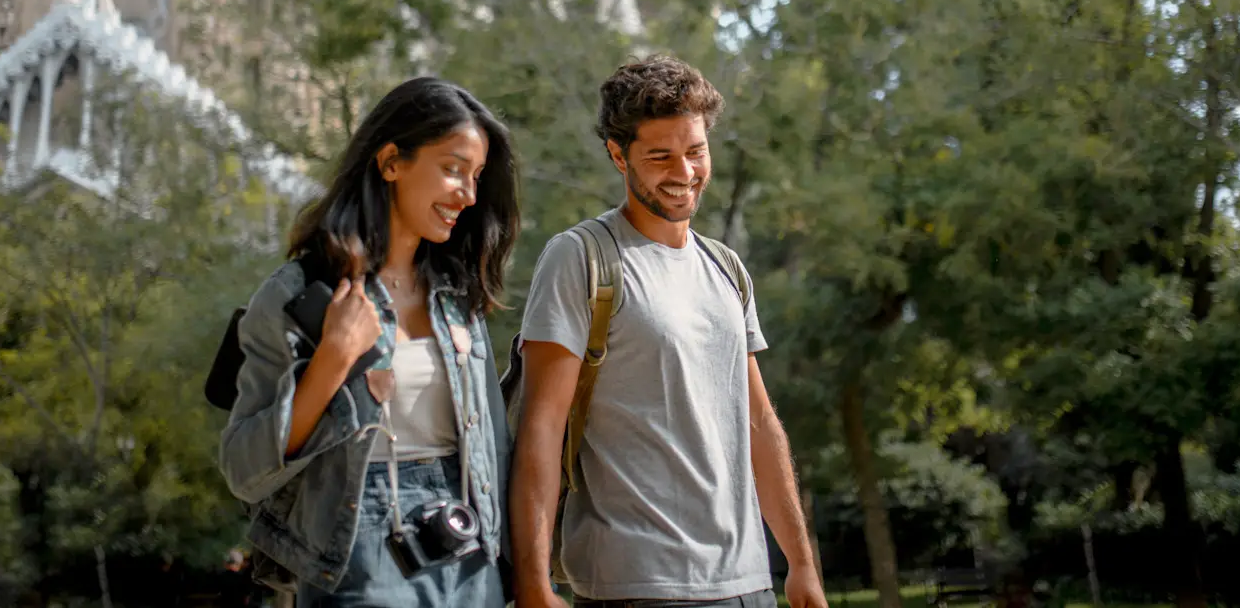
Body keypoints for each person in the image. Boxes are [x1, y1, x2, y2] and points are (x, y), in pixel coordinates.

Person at [510, 55, 829, 608]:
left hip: (750, 583)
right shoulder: (581, 258)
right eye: (660, 156)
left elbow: (760, 422)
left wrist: (800, 565)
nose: (684, 172)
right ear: (618, 155)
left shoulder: (727, 268)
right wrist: (534, 583)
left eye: (695, 151)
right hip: (637, 585)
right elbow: (541, 427)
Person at [219, 77, 519, 608]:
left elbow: (494, 449)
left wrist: (519, 573)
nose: (468, 195)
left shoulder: (457, 299)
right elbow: (245, 469)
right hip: (360, 548)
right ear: (390, 162)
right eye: (452, 169)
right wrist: (332, 361)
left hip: (470, 546)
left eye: (475, 177)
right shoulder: (300, 295)